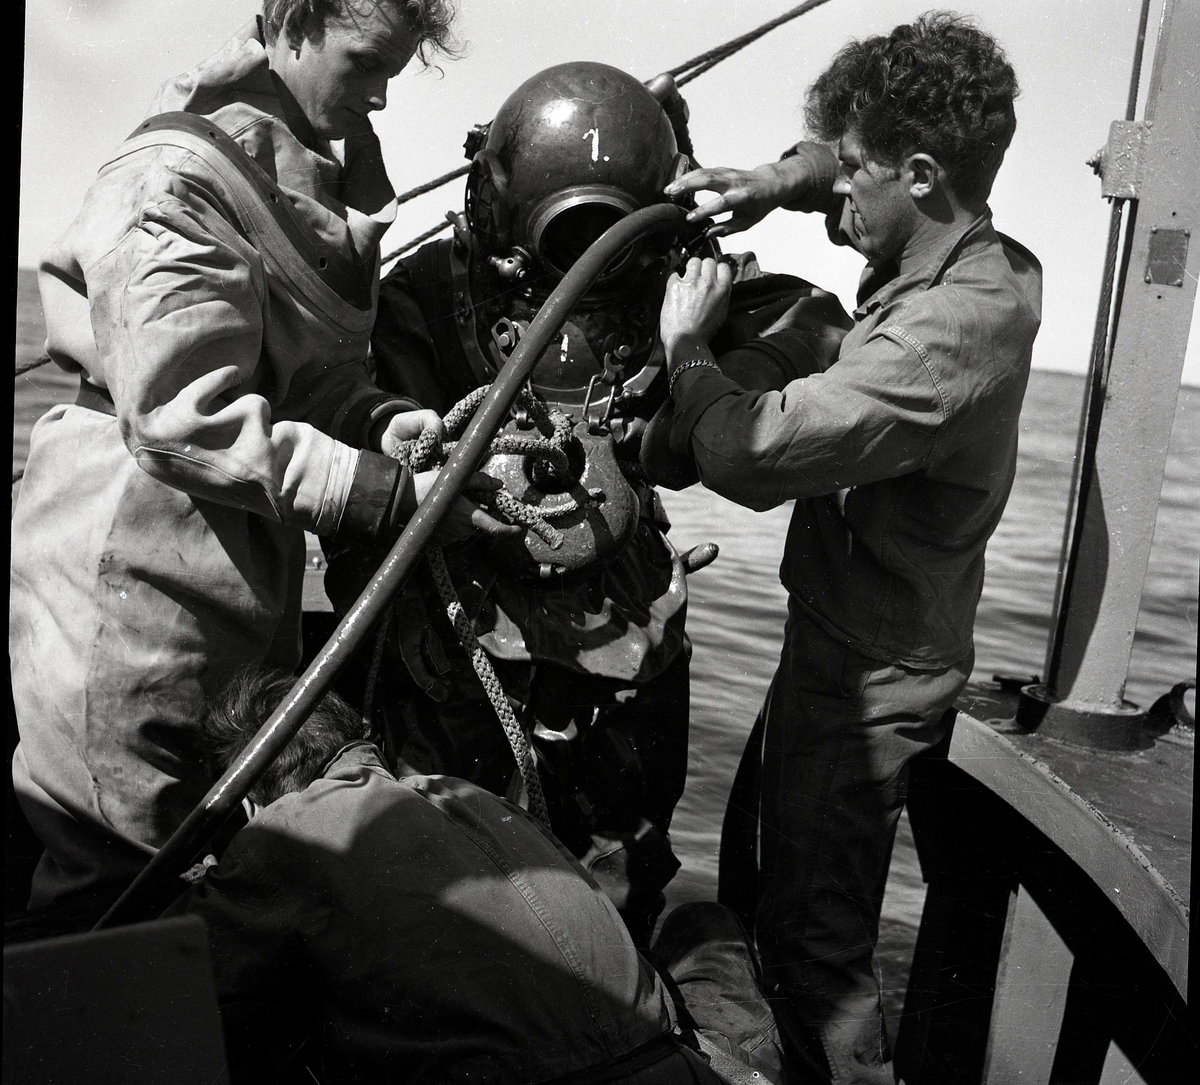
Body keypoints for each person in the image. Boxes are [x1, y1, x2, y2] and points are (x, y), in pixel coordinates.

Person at [325, 61, 849, 946]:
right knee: (440, 881)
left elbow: (816, 323)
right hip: (457, 639)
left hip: (624, 639)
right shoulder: (436, 289)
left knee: (617, 881)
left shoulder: (677, 282)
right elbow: (370, 415)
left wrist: (697, 381)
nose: (587, 257)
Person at [8, 0, 515, 910]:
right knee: (113, 879)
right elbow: (182, 415)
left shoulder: (309, 172)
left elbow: (289, 375)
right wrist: (377, 492)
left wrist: (376, 422)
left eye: (395, 73)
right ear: (291, 20)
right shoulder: (175, 180)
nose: (381, 98)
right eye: (366, 63)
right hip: (125, 575)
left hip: (233, 573)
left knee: (197, 863)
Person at [647, 14, 1042, 1083]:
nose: (837, 187)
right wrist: (774, 180)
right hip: (842, 639)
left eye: (855, 169)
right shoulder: (962, 252)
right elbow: (841, 159)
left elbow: (752, 450)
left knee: (814, 951)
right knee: (762, 883)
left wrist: (688, 349)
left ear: (920, 175)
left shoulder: (948, 333)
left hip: (868, 679)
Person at [174, 668, 785, 1085]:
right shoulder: (470, 795)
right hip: (678, 1067)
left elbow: (191, 976)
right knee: (703, 923)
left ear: (249, 800)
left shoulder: (286, 831)